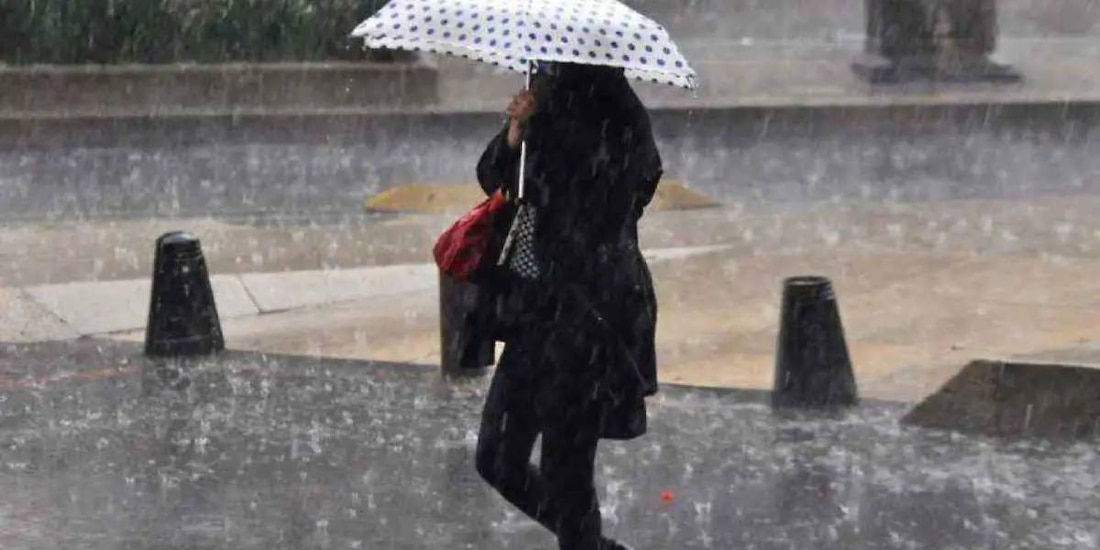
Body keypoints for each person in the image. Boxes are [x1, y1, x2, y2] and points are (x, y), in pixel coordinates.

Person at [471, 62, 663, 550]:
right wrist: (516, 134)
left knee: (566, 471)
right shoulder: (546, 90)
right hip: (537, 313)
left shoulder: (616, 108)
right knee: (497, 456)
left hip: (591, 316)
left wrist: (547, 149)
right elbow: (495, 176)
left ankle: (586, 543)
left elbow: (628, 188)